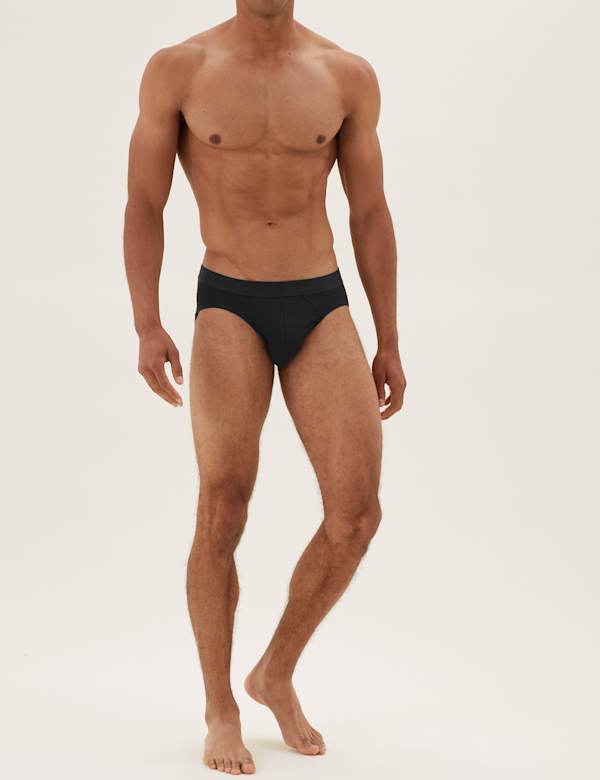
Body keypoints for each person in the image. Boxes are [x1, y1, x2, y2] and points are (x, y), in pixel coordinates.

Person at [124, 0, 406, 774]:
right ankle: (220, 706)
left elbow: (370, 212)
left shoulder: (345, 75)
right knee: (223, 504)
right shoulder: (181, 69)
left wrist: (387, 337)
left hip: (321, 299)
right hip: (229, 302)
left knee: (356, 514)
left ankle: (274, 671)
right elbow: (144, 204)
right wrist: (147, 322)